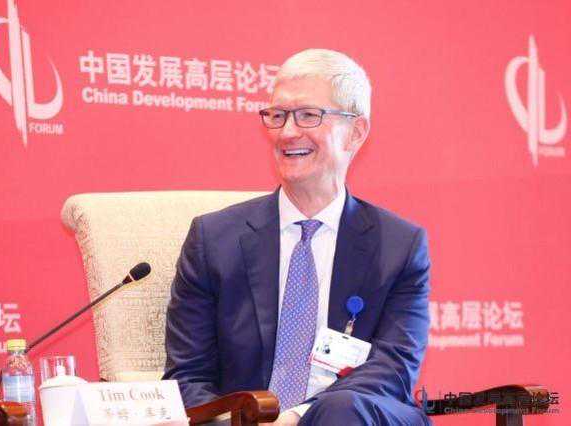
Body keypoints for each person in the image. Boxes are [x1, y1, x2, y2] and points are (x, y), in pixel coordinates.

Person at [163, 48, 431, 425]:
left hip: (351, 418)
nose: (288, 133)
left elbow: (393, 369)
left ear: (355, 132)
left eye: (308, 115)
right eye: (278, 116)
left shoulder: (399, 246)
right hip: (247, 421)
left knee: (343, 409)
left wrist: (296, 419)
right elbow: (187, 378)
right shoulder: (214, 240)